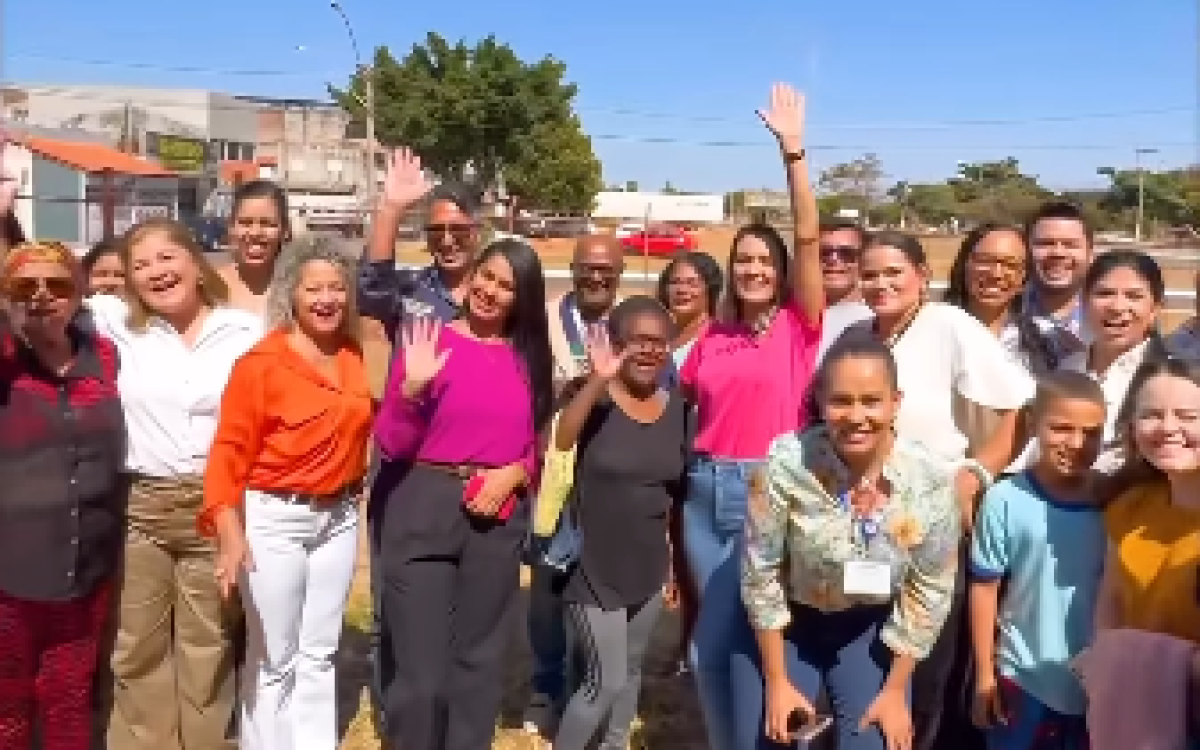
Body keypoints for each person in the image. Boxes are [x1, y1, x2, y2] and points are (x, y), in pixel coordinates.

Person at [836, 230, 1035, 750]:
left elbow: (1023, 408)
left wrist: (975, 475)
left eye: (893, 272)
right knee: (869, 655)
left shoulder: (948, 325)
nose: (880, 284)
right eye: (870, 274)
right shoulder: (857, 337)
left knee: (924, 671)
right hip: (865, 524)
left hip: (934, 525)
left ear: (922, 276)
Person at [679, 83, 825, 750]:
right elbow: (674, 407)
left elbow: (809, 234)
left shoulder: (800, 326)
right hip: (703, 495)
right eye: (743, 261)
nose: (754, 269)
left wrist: (793, 155)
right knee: (713, 647)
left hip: (764, 490)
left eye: (765, 261)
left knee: (748, 639)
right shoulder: (713, 336)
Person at [737, 337, 961, 750]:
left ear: (896, 402)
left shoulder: (929, 480)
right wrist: (777, 680)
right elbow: (760, 571)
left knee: (874, 742)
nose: (856, 416)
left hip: (868, 630)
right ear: (821, 401)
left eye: (871, 401)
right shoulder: (785, 464)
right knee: (773, 740)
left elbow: (930, 589)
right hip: (788, 626)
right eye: (841, 401)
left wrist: (895, 690)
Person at [374, 238, 553, 750]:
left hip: (495, 515)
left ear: (522, 298)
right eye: (487, 276)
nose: (490, 291)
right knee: (423, 676)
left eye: (506, 285)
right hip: (423, 503)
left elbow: (540, 447)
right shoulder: (427, 340)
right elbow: (390, 441)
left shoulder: (527, 362)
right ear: (471, 275)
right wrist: (409, 391)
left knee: (478, 666)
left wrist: (515, 474)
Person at [93, 218, 262, 750]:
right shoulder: (113, 321)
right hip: (142, 504)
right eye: (140, 266)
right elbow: (31, 284)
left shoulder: (243, 331)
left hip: (217, 507)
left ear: (194, 260)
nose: (156, 273)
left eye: (167, 258)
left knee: (207, 644)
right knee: (136, 647)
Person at [199, 237, 373, 750]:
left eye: (336, 288)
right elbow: (228, 452)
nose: (326, 298)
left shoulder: (351, 354)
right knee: (274, 656)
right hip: (275, 516)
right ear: (291, 295)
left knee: (319, 652)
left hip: (337, 517)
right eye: (314, 287)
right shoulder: (260, 365)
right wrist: (230, 532)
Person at [357, 149, 481, 735]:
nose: (449, 240)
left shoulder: (495, 295)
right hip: (405, 466)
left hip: (471, 469)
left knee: (462, 605)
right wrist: (391, 208)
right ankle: (396, 719)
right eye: (438, 231)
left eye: (460, 229)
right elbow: (370, 286)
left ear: (478, 231)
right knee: (391, 605)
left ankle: (451, 717)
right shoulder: (410, 294)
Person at [550, 296, 691, 750]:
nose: (649, 351)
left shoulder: (678, 409)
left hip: (648, 565)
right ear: (617, 344)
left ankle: (613, 745)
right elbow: (563, 436)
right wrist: (598, 379)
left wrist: (673, 562)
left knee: (629, 673)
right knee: (603, 681)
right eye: (638, 341)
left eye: (659, 343)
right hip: (595, 566)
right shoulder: (595, 400)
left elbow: (675, 493)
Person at [0, 241, 125, 750]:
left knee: (70, 698)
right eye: (25, 286)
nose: (42, 297)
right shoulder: (7, 361)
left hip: (86, 568)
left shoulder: (107, 357)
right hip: (11, 574)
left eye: (57, 284)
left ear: (78, 292)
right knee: (7, 704)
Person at [522, 233, 627, 735]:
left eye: (607, 268)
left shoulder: (632, 323)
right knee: (546, 584)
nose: (596, 276)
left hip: (608, 479)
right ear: (575, 266)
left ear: (621, 272)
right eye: (588, 266)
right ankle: (545, 688)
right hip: (549, 476)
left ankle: (592, 684)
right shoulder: (543, 318)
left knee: (597, 587)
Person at [968, 371, 1107, 750]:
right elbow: (984, 589)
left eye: (1091, 432)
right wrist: (984, 675)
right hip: (1022, 679)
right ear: (1033, 424)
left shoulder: (1114, 502)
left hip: (1099, 687)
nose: (1077, 443)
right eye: (1061, 428)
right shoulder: (1004, 500)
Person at [1094, 358, 1200, 643]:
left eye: (1187, 416)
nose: (1167, 428)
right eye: (1151, 414)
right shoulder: (1128, 507)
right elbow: (1110, 607)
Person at [1057, 250, 1165, 474]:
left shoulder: (1170, 378)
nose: (1117, 307)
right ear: (1084, 302)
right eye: (1104, 293)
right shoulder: (1066, 368)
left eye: (1134, 296)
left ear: (1155, 309)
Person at [942, 224, 1059, 375]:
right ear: (964, 266)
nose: (996, 274)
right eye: (984, 261)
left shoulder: (1043, 342)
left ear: (1024, 277)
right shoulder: (931, 331)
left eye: (1010, 265)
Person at [1021, 200, 1094, 363]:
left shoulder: (1115, 315)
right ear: (1025, 250)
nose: (1058, 253)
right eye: (1045, 243)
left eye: (1070, 245)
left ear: (1090, 253)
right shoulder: (1002, 313)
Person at [217, 180, 292, 317]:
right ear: (231, 228)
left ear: (285, 230)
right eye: (245, 223)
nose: (255, 233)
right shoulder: (212, 286)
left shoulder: (299, 287)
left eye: (267, 223)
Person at [815, 218, 873, 360]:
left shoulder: (882, 318)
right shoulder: (790, 318)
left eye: (847, 253)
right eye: (824, 252)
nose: (833, 259)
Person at [657, 250, 722, 367]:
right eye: (675, 282)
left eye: (692, 283)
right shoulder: (660, 334)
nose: (681, 290)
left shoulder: (718, 339)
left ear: (710, 289)